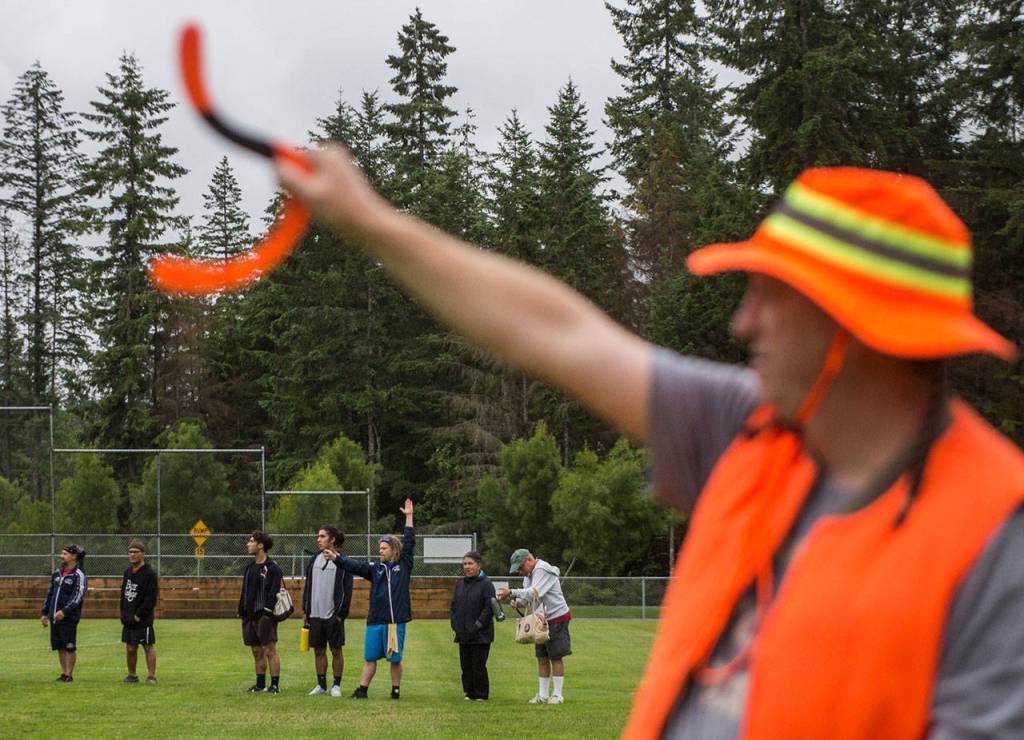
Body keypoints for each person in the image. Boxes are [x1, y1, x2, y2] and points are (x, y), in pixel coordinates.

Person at [277, 149, 1024, 736]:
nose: (743, 325)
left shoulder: (999, 544)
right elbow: (556, 332)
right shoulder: (747, 428)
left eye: (773, 297)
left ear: (853, 328)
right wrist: (369, 219)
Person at [336, 498, 415, 700]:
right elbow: (355, 565)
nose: (380, 551)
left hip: (394, 621)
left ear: (394, 550)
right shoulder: (375, 570)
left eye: (384, 548)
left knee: (394, 659)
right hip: (375, 621)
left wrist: (409, 517)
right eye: (379, 548)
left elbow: (410, 541)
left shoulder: (403, 565)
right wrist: (337, 558)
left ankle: (395, 690)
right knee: (370, 657)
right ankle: (362, 690)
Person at [497, 549, 572, 704]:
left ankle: (557, 695)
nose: (519, 572)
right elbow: (528, 598)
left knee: (555, 656)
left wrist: (512, 592)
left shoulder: (542, 569)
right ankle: (543, 695)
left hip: (556, 618)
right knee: (542, 657)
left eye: (520, 567)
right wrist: (517, 602)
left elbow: (534, 592)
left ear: (529, 560)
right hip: (540, 620)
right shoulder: (529, 575)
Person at [301, 524, 354, 697]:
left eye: (322, 536)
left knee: (336, 650)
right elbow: (308, 586)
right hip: (315, 614)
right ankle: (321, 685)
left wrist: (341, 614)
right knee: (318, 650)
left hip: (333, 615)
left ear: (332, 539)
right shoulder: (314, 560)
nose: (318, 539)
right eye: (318, 536)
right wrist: (306, 610)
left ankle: (336, 685)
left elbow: (347, 590)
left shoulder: (342, 562)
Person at [237, 530, 284, 694]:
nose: (248, 544)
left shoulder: (272, 568)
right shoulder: (249, 568)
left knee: (269, 651)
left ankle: (275, 685)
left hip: (265, 617)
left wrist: (267, 613)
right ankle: (260, 684)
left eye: (251, 541)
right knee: (256, 651)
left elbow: (274, 592)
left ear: (261, 545)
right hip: (249, 616)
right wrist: (241, 610)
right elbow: (245, 591)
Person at [450, 550, 496, 701]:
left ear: (478, 565)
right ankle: (469, 692)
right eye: (464, 564)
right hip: (463, 634)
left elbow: (488, 609)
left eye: (470, 563)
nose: (467, 567)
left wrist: (477, 626)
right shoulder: (460, 585)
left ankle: (481, 694)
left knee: (478, 665)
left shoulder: (486, 584)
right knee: (466, 666)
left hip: (480, 635)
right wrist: (455, 625)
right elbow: (454, 607)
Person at [41, 543, 88, 683]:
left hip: (68, 618)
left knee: (69, 646)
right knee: (60, 646)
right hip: (55, 617)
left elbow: (77, 596)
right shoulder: (57, 573)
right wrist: (45, 613)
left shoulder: (79, 575)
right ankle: (63, 673)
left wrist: (64, 611)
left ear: (74, 556)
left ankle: (69, 674)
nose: (62, 556)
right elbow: (50, 594)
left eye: (65, 554)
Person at [120, 540, 159, 685]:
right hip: (128, 618)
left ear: (142, 554)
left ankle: (151, 676)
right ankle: (132, 675)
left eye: (135, 552)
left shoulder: (149, 574)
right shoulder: (127, 572)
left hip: (143, 619)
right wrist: (123, 613)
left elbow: (151, 598)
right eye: (130, 552)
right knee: (130, 648)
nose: (132, 555)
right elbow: (123, 594)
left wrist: (139, 614)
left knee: (148, 646)